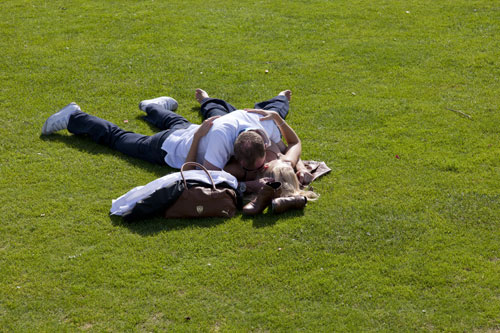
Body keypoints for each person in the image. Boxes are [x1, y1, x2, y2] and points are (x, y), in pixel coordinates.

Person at [41, 92, 283, 188]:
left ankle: (153, 107)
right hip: (168, 147)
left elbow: (286, 146)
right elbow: (199, 178)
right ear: (236, 154)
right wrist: (249, 186)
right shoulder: (221, 139)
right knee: (119, 139)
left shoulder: (263, 123)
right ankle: (75, 117)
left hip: (191, 130)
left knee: (177, 123)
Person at [195, 89, 315, 186]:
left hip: (255, 117)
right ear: (235, 156)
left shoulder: (267, 123)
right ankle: (206, 99)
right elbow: (209, 179)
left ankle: (281, 97)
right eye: (250, 169)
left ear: (265, 145)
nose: (263, 169)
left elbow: (288, 149)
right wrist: (248, 185)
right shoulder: (221, 136)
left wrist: (301, 168)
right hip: (226, 123)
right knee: (214, 112)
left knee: (275, 109)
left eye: (261, 166)